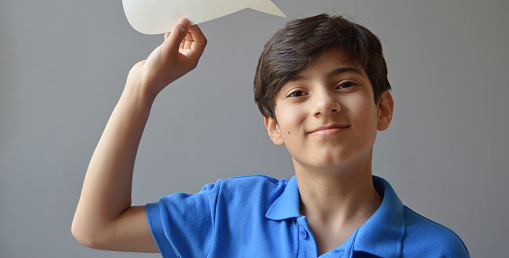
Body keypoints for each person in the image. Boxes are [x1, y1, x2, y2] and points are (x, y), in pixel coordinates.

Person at [72, 14, 470, 257]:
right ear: (274, 127)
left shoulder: (435, 250)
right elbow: (96, 227)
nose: (323, 104)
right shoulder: (229, 212)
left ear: (382, 109)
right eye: (298, 92)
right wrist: (142, 87)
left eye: (345, 84)